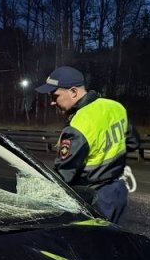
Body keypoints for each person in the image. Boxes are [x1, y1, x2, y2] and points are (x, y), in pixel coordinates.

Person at [35, 66, 140, 223]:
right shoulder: (115, 107)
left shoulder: (79, 124)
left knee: (92, 244)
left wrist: (36, 193)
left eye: (55, 95)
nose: (51, 102)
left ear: (73, 92)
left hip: (94, 198)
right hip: (118, 191)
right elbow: (132, 142)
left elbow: (64, 176)